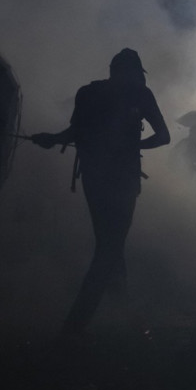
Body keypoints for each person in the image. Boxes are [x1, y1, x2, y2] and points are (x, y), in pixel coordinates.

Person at [31, 48, 171, 334]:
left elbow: (73, 132)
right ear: (134, 72)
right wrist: (134, 147)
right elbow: (163, 136)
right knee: (109, 248)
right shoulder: (139, 95)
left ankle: (122, 312)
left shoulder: (89, 93)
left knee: (110, 244)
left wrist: (52, 138)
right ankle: (75, 326)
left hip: (95, 179)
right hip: (121, 179)